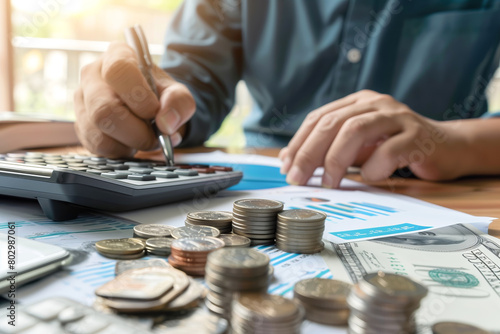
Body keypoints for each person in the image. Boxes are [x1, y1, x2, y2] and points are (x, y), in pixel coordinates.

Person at [74, 0, 500, 189]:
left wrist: (459, 142)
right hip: (265, 180)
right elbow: (190, 87)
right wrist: (144, 102)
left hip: (442, 188)